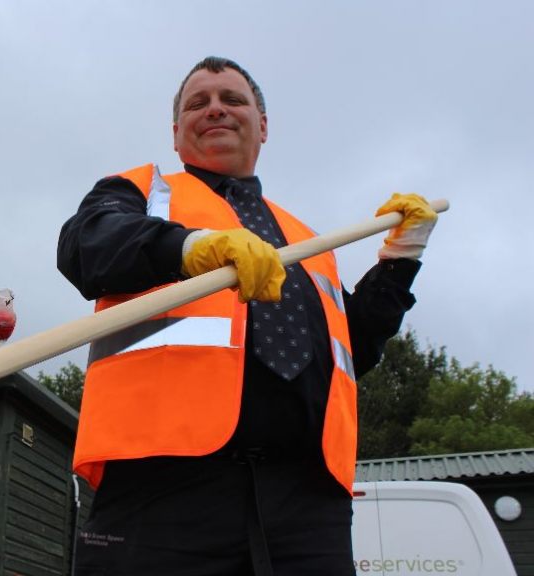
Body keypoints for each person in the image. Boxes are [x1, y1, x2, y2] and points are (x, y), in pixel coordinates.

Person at [57, 56, 438, 576]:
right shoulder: (143, 192)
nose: (215, 109)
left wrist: (400, 260)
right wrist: (189, 247)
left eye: (232, 99)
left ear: (263, 125)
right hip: (161, 487)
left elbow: (351, 352)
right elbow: (85, 246)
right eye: (199, 103)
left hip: (307, 502)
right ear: (176, 133)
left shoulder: (308, 242)